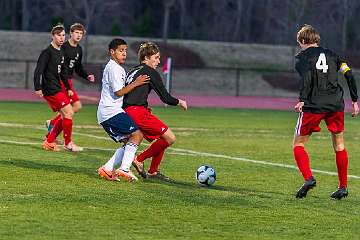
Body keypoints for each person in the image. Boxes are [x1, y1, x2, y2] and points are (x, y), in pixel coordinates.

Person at [293, 24, 359, 199]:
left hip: (314, 105)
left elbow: (307, 78)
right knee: (339, 145)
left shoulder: (301, 58)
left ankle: (309, 178)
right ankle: (343, 187)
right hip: (335, 104)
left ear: (303, 40)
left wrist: (302, 99)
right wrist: (354, 100)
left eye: (299, 42)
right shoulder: (333, 55)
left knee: (298, 144)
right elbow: (349, 74)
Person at [123, 42, 188, 181]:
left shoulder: (133, 70)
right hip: (137, 112)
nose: (159, 61)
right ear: (146, 57)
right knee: (170, 138)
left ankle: (153, 171)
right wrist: (180, 102)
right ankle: (139, 159)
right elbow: (165, 98)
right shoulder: (149, 71)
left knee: (162, 139)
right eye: (156, 57)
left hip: (128, 112)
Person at [97, 38, 149, 182]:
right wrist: (136, 83)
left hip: (108, 112)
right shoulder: (114, 68)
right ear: (112, 52)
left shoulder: (115, 67)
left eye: (125, 50)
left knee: (128, 141)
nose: (124, 53)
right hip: (110, 111)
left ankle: (107, 169)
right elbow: (119, 92)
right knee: (137, 135)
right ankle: (124, 169)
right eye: (121, 50)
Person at [34, 24, 82, 152]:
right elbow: (38, 70)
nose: (61, 38)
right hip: (50, 89)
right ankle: (68, 143)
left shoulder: (61, 52)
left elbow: (63, 72)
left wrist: (68, 88)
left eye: (63, 35)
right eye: (58, 35)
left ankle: (49, 141)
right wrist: (38, 87)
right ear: (53, 36)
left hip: (58, 87)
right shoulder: (47, 52)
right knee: (69, 112)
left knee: (65, 114)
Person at [46, 23, 95, 136]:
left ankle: (52, 124)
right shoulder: (63, 47)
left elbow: (78, 68)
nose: (78, 35)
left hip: (68, 81)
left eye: (81, 33)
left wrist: (86, 76)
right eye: (76, 33)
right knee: (71, 109)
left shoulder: (79, 49)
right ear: (71, 34)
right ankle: (52, 136)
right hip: (60, 81)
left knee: (74, 108)